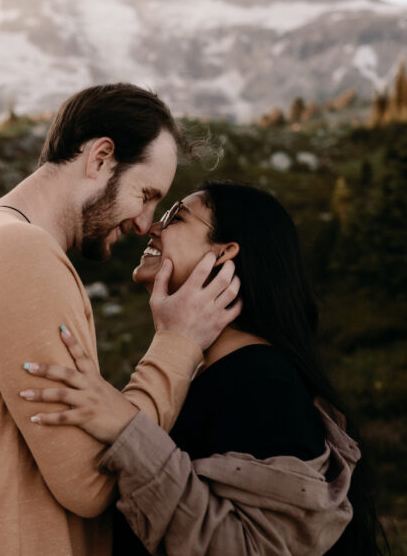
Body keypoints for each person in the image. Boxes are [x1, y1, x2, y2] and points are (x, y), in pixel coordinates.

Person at [0, 84, 242, 556]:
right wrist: (177, 343)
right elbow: (89, 483)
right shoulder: (17, 255)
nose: (145, 225)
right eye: (145, 194)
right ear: (101, 157)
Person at [21, 181, 387, 556]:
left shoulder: (262, 383)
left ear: (224, 252)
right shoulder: (214, 375)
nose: (150, 228)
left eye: (176, 217)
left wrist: (127, 430)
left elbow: (253, 547)